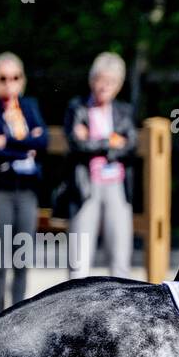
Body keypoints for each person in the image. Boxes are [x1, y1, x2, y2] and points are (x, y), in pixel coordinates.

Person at [0, 53, 47, 321]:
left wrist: (6, 143)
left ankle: (19, 321)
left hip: (26, 191)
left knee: (21, 260)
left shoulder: (29, 107)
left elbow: (43, 142)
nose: (9, 84)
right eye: (3, 79)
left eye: (15, 77)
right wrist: (24, 147)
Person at [63, 52, 139, 279]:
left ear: (119, 85)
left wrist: (95, 142)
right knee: (79, 260)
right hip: (86, 186)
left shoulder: (124, 111)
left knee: (120, 258)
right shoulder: (77, 108)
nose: (104, 86)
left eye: (111, 82)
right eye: (100, 80)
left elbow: (131, 144)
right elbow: (77, 143)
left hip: (117, 186)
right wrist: (111, 141)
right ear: (91, 80)